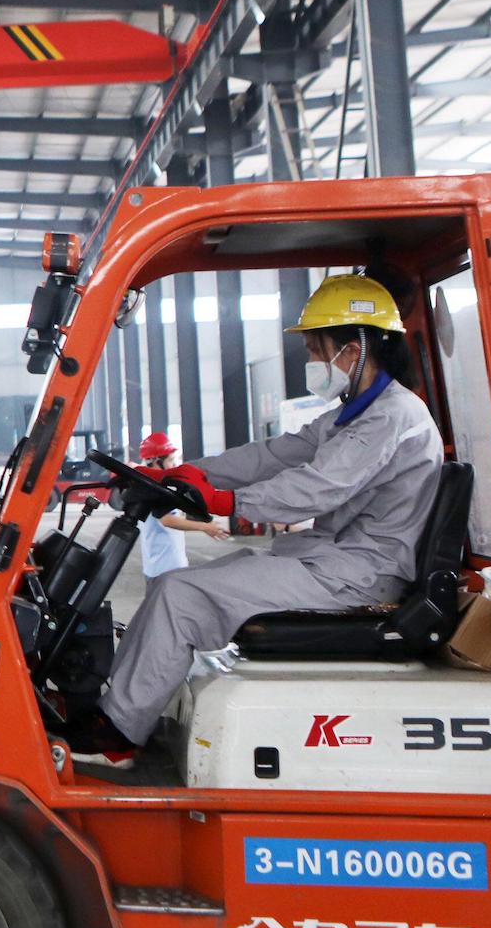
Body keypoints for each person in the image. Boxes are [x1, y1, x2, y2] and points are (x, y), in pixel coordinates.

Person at [77, 273, 443, 756]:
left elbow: (317, 488)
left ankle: (118, 735)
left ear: (354, 349)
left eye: (317, 350)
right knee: (190, 582)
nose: (313, 362)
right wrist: (188, 474)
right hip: (330, 562)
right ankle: (118, 712)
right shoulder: (352, 413)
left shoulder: (392, 417)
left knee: (179, 593)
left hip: (358, 577)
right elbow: (273, 454)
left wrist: (226, 503)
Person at [131, 430, 190, 581]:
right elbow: (168, 520)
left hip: (163, 567)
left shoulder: (156, 485)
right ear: (156, 461)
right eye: (170, 459)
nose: (174, 464)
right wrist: (206, 527)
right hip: (165, 569)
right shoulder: (153, 488)